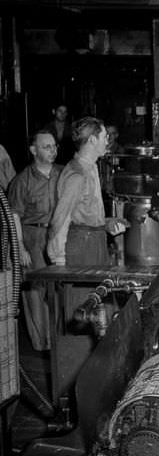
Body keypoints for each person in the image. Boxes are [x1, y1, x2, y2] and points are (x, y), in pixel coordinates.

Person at [47, 116, 129, 266]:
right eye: (105, 137)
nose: (107, 141)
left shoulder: (91, 168)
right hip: (81, 246)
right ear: (92, 140)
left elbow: (83, 212)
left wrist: (105, 223)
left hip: (94, 242)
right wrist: (58, 258)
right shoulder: (77, 174)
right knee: (80, 290)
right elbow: (61, 218)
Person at [7, 130, 61, 350]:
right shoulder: (22, 180)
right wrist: (20, 246)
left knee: (58, 289)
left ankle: (59, 340)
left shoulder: (62, 173)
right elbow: (14, 216)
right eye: (46, 147)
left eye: (54, 146)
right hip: (33, 236)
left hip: (57, 234)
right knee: (36, 291)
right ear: (33, 150)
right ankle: (42, 344)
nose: (53, 150)